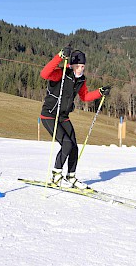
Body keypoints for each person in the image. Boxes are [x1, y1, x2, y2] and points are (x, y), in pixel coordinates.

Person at [40, 45, 111, 190]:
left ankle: (71, 176)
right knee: (66, 144)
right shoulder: (60, 73)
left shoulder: (81, 80)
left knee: (74, 147)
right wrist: (60, 56)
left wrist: (100, 92)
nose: (80, 69)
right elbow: (44, 73)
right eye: (77, 66)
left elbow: (85, 97)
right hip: (49, 115)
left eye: (83, 66)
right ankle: (56, 174)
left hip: (63, 117)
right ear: (71, 65)